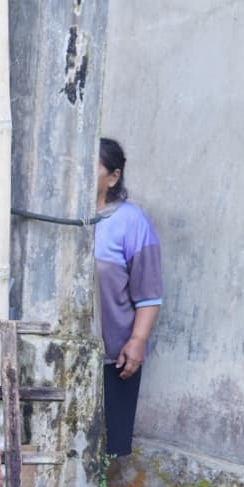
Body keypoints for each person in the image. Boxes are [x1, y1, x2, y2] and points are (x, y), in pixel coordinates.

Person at [95, 137, 162, 457]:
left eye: (91, 167)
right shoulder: (61, 218)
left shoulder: (131, 222)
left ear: (113, 177)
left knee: (107, 445)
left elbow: (148, 293)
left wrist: (137, 340)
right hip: (59, 349)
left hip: (114, 353)